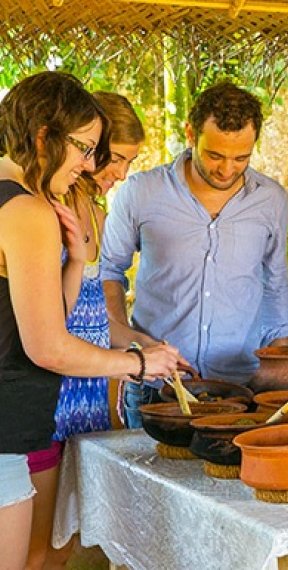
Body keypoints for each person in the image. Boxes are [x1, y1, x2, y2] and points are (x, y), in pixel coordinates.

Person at [0, 71, 180, 570]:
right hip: (12, 422)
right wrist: (138, 364)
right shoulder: (27, 209)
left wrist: (76, 262)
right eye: (85, 148)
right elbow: (49, 346)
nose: (88, 163)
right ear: (42, 135)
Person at [102, 82, 288, 427]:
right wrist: (130, 343)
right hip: (156, 384)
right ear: (191, 134)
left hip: (241, 384)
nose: (226, 169)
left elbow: (275, 281)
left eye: (241, 158)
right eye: (215, 155)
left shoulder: (271, 200)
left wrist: (280, 362)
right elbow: (109, 271)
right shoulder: (142, 192)